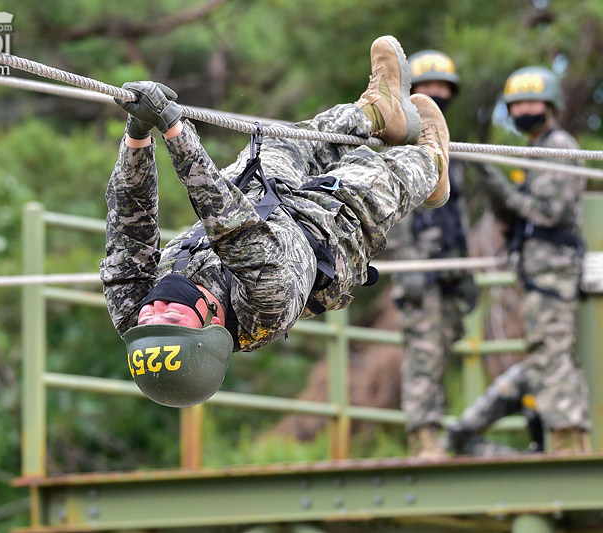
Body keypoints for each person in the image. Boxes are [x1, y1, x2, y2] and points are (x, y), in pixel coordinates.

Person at [101, 36, 450, 408]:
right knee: (382, 177)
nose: (154, 308)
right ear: (212, 327)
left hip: (257, 199)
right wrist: (174, 131)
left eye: (148, 317)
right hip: (327, 234)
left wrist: (137, 137)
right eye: (170, 315)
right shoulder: (264, 307)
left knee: (290, 141)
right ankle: (434, 162)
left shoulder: (136, 324)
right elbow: (231, 226)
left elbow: (128, 226)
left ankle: (379, 111)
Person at [445, 66, 591, 454]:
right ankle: (560, 433)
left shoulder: (560, 146)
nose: (525, 109)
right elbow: (516, 217)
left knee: (550, 349)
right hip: (537, 267)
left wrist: (502, 189)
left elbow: (549, 212)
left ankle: (566, 437)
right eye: (517, 103)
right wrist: (497, 190)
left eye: (532, 101)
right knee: (544, 348)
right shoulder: (532, 152)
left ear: (551, 105)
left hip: (553, 267)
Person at [384, 50, 476, 459]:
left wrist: (466, 267)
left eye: (443, 87)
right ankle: (424, 439)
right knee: (422, 355)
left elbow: (456, 214)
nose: (437, 93)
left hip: (450, 266)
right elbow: (394, 212)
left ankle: (437, 434)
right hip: (420, 267)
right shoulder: (402, 139)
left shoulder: (446, 142)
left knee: (443, 350)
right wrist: (408, 269)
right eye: (428, 87)